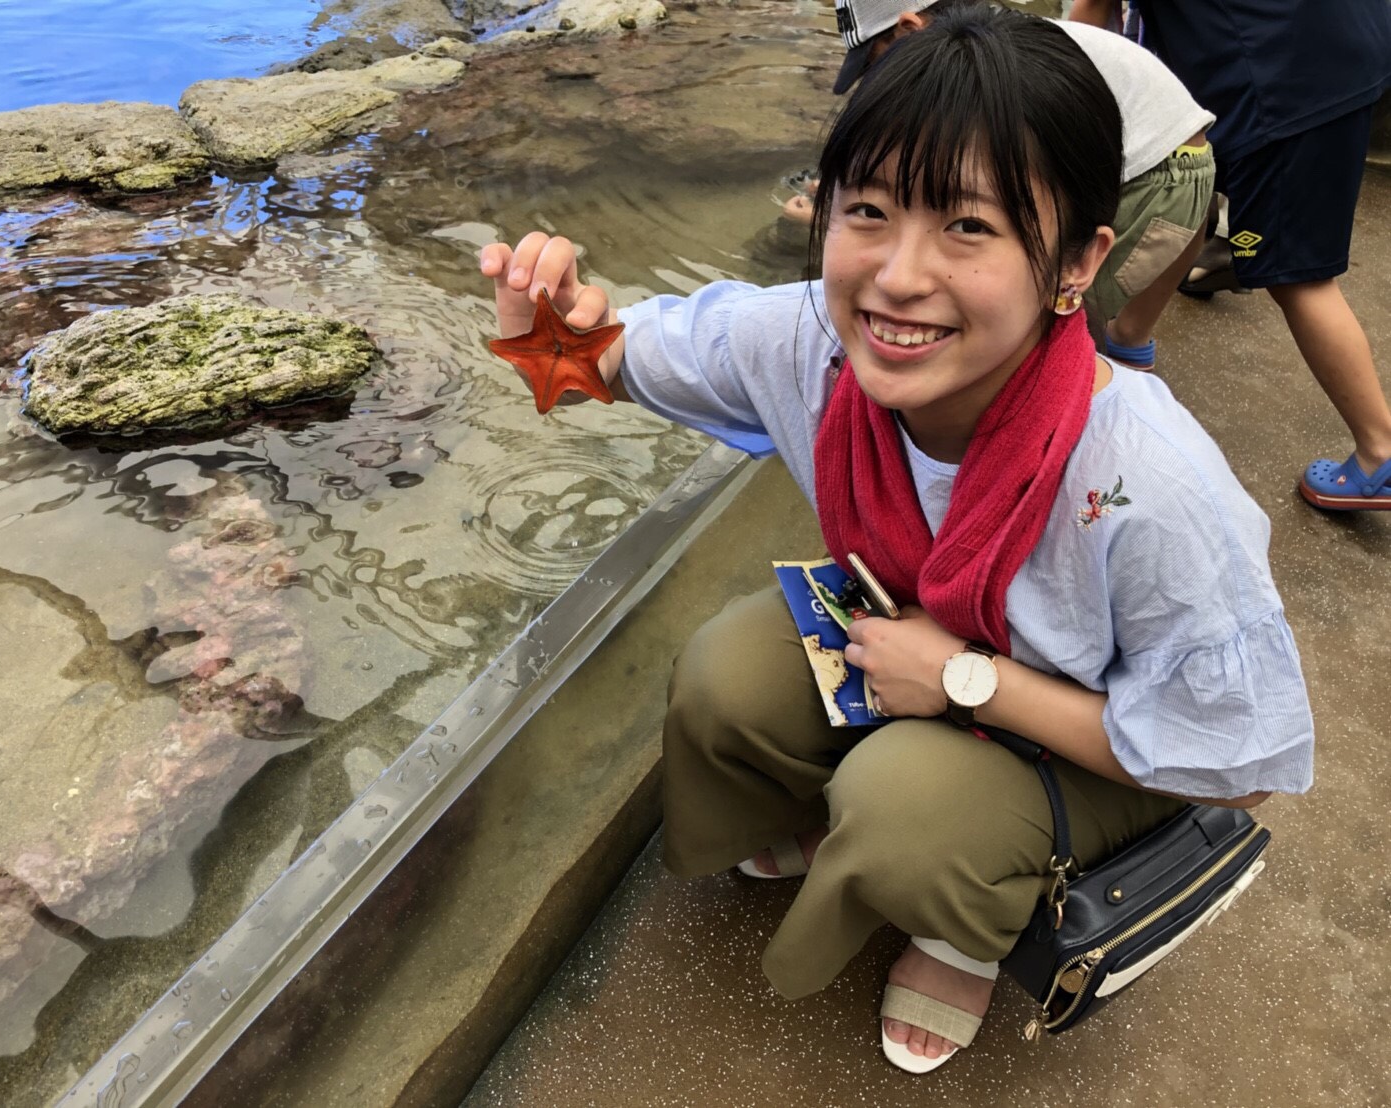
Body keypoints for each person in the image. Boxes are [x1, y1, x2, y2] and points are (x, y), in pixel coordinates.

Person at [481, 5, 1314, 1072]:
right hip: (915, 646)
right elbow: (597, 361)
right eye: (866, 210)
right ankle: (859, 826)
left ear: (1074, 259)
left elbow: (1238, 757)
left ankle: (956, 912)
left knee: (900, 814)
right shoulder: (807, 340)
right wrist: (540, 329)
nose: (896, 277)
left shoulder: (1142, 481)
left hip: (1098, 727)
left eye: (967, 227)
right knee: (726, 675)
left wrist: (971, 682)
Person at [1071, 0, 1391, 510]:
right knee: (1196, 173)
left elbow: (1088, 18)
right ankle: (1129, 337)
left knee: (1298, 276)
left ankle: (1381, 452)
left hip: (1287, 73)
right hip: (1341, 32)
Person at [791, 0, 1217, 374]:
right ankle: (1125, 359)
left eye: (874, 64)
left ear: (909, 30)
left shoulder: (999, 75)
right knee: (1116, 330)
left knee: (1057, 314)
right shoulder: (996, 46)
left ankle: (1080, 411)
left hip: (1156, 174)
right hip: (1177, 153)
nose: (876, 82)